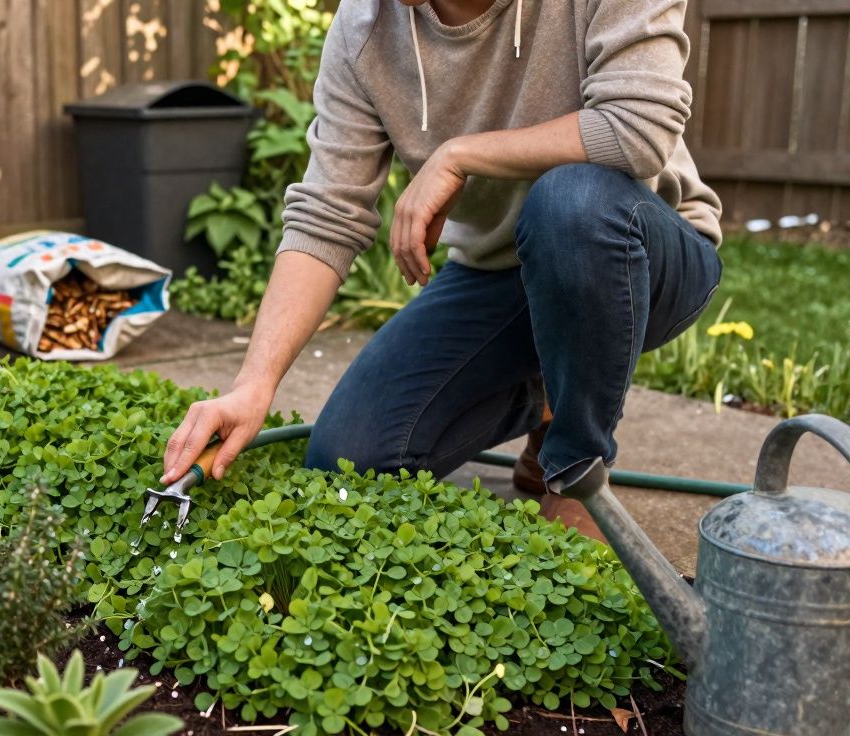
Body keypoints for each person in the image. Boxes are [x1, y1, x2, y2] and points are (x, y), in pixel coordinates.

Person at [161, 0, 722, 534]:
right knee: (351, 458)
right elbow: (328, 211)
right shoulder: (365, 28)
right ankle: (550, 397)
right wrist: (253, 385)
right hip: (499, 276)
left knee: (570, 202)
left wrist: (458, 154)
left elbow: (638, 127)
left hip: (640, 254)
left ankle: (576, 476)